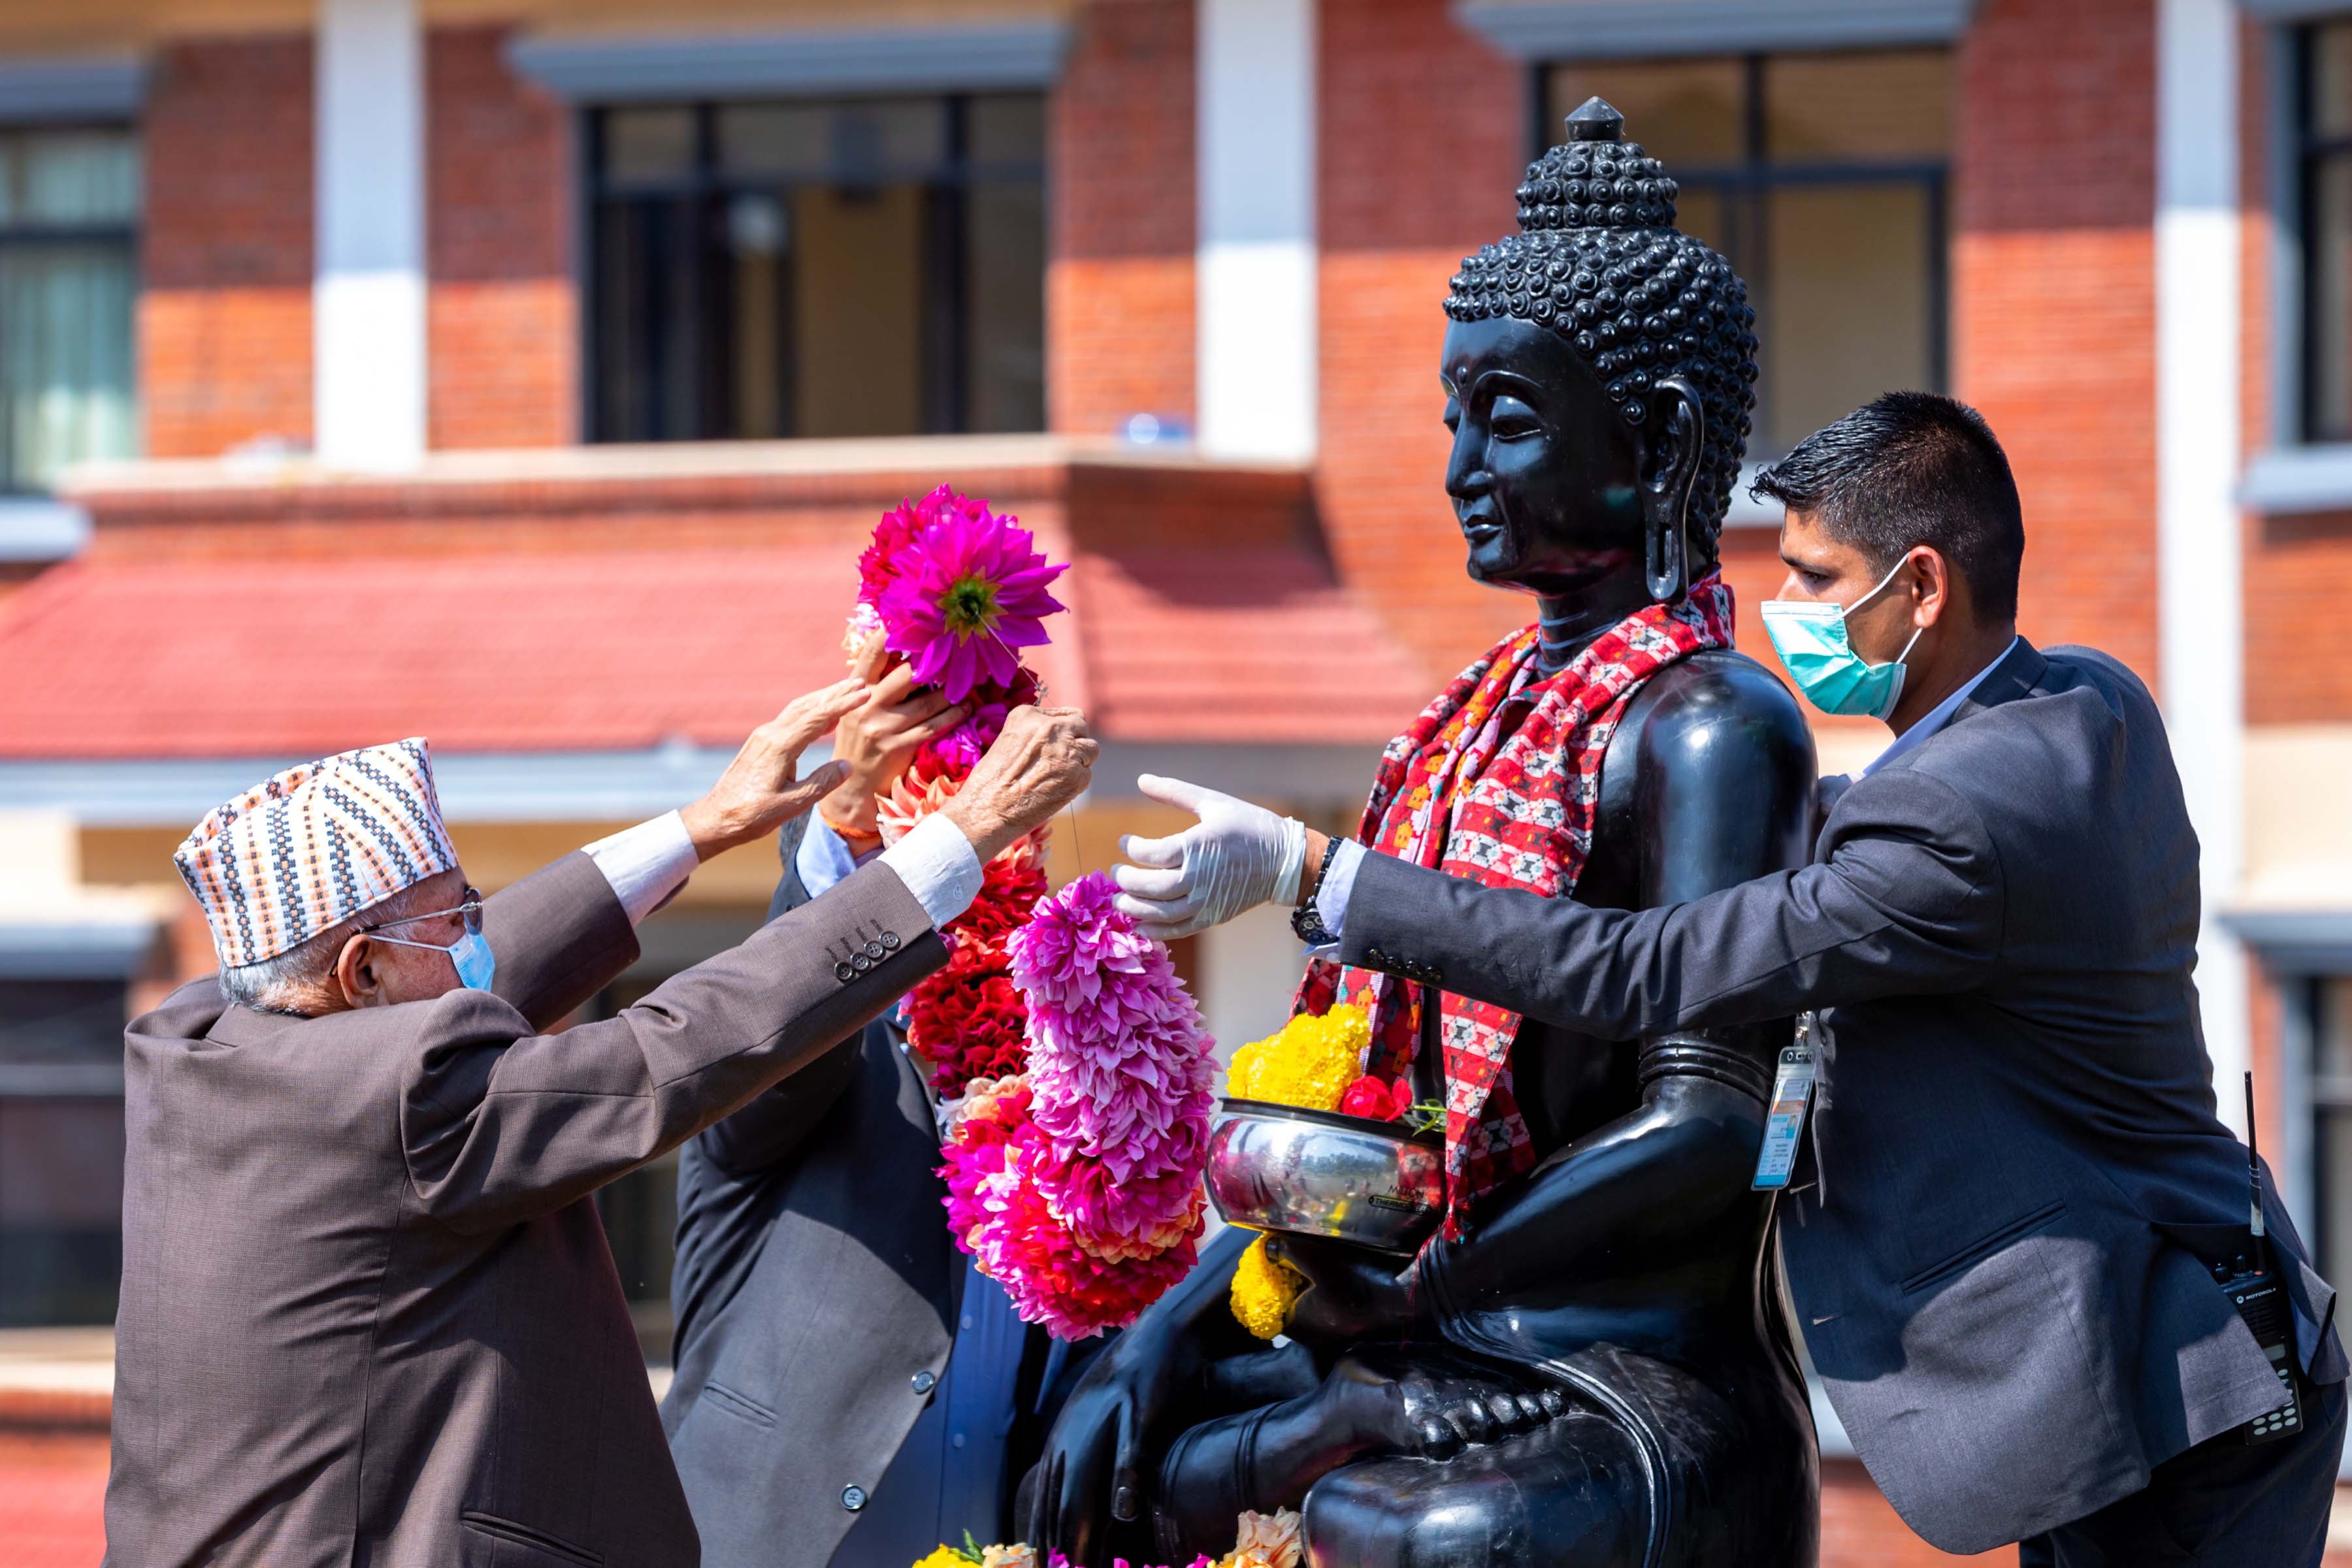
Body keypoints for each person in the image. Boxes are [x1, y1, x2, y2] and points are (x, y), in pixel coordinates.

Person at [1110, 392, 2349, 1565]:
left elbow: (1653, 968)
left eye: (1814, 580)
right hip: (2179, 1335)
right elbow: (1850, 836)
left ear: (1922, 589)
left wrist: (1319, 874)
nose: (1780, 613)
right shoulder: (2078, 698)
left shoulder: (1959, 829)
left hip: (2179, 1379)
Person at [103, 681, 1096, 1568]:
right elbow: (674, 1051)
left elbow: (475, 973)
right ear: (361, 970)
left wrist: (705, 827)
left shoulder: (199, 1040)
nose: (480, 940)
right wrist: (959, 840)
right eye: (457, 921)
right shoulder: (403, 1103)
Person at [664, 638, 1098, 1566]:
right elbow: (771, 1029)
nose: (987, 851)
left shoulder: (1077, 1065)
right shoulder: (805, 1041)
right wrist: (845, 839)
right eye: (957, 823)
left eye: (1009, 821)